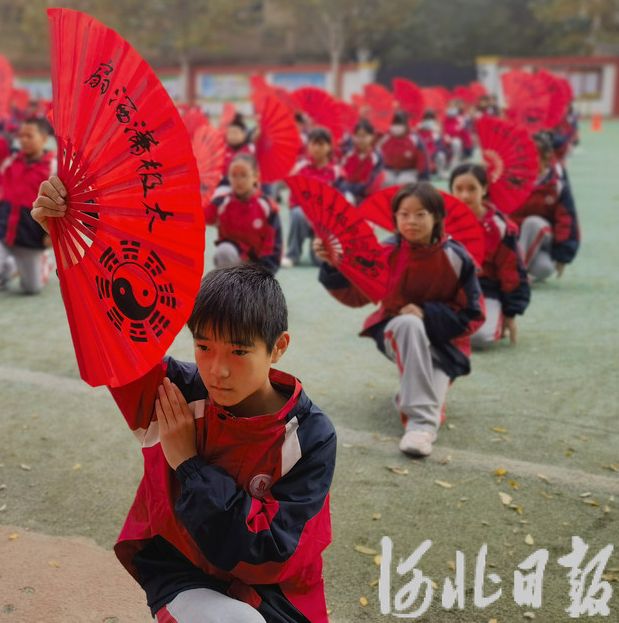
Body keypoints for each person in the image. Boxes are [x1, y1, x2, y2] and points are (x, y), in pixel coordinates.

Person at [41, 181, 335, 622]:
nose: (216, 369)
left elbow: (269, 550)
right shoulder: (177, 391)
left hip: (272, 588)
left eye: (238, 352)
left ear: (277, 348)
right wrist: (68, 235)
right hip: (181, 567)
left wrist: (189, 466)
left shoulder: (309, 435)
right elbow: (113, 329)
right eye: (204, 347)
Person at [315, 182, 484, 457]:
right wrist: (333, 265)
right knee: (408, 324)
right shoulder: (386, 252)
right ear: (394, 217)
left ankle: (408, 399)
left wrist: (428, 313)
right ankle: (420, 425)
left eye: (420, 214)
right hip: (397, 332)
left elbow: (474, 315)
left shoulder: (457, 257)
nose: (411, 221)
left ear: (437, 217)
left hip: (445, 345)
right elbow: (356, 295)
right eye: (403, 214)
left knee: (435, 399)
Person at [449, 163, 530, 348]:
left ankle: (497, 316)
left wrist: (511, 313)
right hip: (450, 291)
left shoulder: (498, 226)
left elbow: (512, 271)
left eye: (472, 188)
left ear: (484, 189)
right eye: (458, 189)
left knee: (479, 338)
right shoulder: (439, 222)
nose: (465, 195)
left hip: (486, 291)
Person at [0, 117, 55, 294]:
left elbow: (62, 205)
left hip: (31, 237)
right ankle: (11, 270)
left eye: (29, 135)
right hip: (4, 229)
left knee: (31, 289)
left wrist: (52, 234)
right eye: (21, 136)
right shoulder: (9, 159)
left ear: (44, 138)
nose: (23, 140)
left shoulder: (54, 167)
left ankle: (43, 263)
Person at [509, 133, 580, 282]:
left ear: (546, 158)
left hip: (543, 234)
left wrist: (563, 255)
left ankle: (516, 274)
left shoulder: (556, 186)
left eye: (533, 156)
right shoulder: (509, 181)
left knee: (533, 223)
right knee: (544, 268)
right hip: (514, 236)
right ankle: (516, 267)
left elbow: (567, 220)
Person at [204, 153, 282, 274]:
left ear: (256, 177)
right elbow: (199, 217)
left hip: (259, 265)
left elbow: (273, 244)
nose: (238, 180)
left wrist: (265, 272)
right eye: (234, 175)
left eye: (244, 175)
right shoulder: (221, 202)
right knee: (224, 251)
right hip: (233, 258)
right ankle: (227, 286)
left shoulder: (267, 207)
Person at [284, 127, 341, 267]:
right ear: (308, 146)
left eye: (321, 144)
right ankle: (292, 255)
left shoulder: (336, 172)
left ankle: (318, 249)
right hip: (304, 214)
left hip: (325, 219)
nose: (316, 148)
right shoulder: (300, 168)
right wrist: (310, 215)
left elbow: (339, 202)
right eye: (313, 143)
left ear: (329, 146)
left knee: (320, 261)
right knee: (297, 214)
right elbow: (294, 199)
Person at [376, 111, 430, 184]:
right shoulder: (384, 137)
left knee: (404, 182)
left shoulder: (414, 139)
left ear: (405, 125)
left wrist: (423, 177)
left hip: (408, 171)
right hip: (388, 170)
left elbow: (422, 158)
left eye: (400, 123)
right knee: (384, 181)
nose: (396, 126)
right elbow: (376, 154)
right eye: (394, 123)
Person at [338, 119, 383, 203]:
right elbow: (341, 176)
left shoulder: (377, 156)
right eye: (358, 136)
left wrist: (361, 191)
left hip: (366, 194)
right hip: (347, 191)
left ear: (372, 136)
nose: (361, 139)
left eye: (364, 136)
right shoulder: (348, 153)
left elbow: (375, 178)